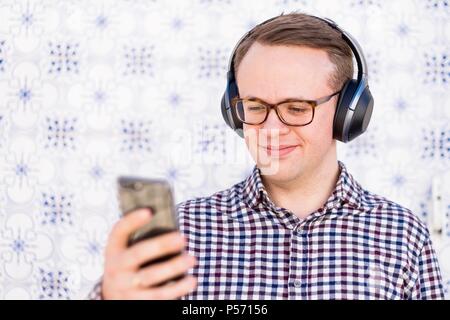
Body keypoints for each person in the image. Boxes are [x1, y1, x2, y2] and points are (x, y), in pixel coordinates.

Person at [88, 12, 444, 300]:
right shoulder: (185, 232)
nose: (271, 128)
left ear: (348, 113)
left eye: (296, 107)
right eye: (255, 106)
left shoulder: (401, 234)